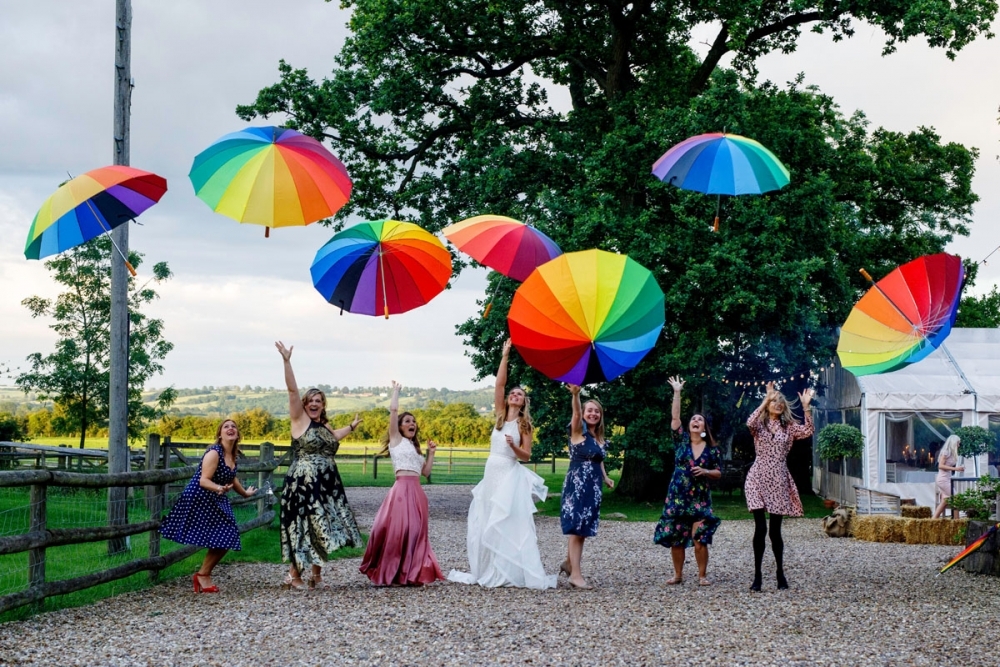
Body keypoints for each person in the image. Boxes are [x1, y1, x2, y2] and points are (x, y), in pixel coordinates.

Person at [448, 339, 557, 589]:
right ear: (508, 400)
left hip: (509, 471)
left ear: (524, 402)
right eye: (513, 393)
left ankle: (508, 571)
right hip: (491, 470)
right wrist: (505, 355)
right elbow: (499, 384)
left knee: (507, 519)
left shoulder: (524, 425)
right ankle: (488, 569)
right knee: (486, 518)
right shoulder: (499, 416)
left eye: (520, 394)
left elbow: (526, 456)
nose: (515, 395)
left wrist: (513, 447)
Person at [276, 341, 362, 590]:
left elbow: (333, 438)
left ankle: (316, 574)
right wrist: (286, 361)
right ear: (304, 404)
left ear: (323, 406)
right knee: (302, 524)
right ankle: (293, 575)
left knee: (323, 525)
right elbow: (292, 391)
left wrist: (352, 427)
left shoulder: (324, 427)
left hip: (326, 484)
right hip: (303, 482)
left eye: (319, 401)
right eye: (311, 400)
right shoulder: (299, 420)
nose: (315, 404)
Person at [359, 381, 445, 586]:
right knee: (397, 531)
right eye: (407, 421)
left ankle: (411, 573)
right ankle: (391, 571)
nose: (411, 423)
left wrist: (431, 453)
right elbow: (394, 409)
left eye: (413, 421)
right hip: (400, 491)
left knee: (415, 531)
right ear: (399, 426)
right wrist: (395, 392)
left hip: (416, 492)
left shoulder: (416, 449)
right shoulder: (395, 440)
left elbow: (426, 472)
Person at [159, 419, 256, 593]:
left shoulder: (233, 454)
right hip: (200, 496)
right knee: (225, 534)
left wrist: (245, 493)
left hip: (216, 497)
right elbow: (203, 480)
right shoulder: (214, 452)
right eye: (226, 426)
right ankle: (203, 576)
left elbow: (231, 477)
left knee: (228, 535)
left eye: (234, 426)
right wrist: (219, 488)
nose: (230, 428)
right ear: (220, 434)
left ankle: (202, 574)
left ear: (238, 434)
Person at [744, 381, 814, 591]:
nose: (777, 404)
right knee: (760, 527)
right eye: (774, 402)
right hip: (758, 476)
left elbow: (808, 431)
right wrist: (766, 398)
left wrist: (806, 407)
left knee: (775, 531)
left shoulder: (788, 428)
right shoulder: (759, 426)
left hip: (778, 479)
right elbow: (749, 422)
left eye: (780, 402)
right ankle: (757, 576)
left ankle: (780, 573)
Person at [653, 376, 722, 586]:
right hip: (677, 496)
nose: (695, 421)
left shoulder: (712, 450)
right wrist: (677, 392)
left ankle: (702, 576)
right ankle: (678, 575)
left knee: (699, 537)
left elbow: (719, 472)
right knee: (676, 537)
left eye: (699, 420)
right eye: (693, 419)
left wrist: (706, 471)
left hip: (700, 498)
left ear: (704, 427)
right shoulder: (681, 440)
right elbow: (675, 419)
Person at [559, 384, 614, 590]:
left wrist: (606, 478)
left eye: (596, 411)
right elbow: (575, 414)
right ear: (583, 413)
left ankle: (569, 562)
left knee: (582, 529)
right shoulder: (577, 432)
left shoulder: (598, 439)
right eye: (589, 410)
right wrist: (576, 395)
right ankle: (576, 575)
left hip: (594, 487)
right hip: (577, 486)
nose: (593, 413)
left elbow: (598, 460)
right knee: (577, 530)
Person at [932, 435, 964, 519]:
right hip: (943, 479)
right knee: (956, 497)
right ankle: (957, 521)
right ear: (953, 443)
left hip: (946, 479)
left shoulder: (951, 453)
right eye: (958, 443)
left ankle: (933, 520)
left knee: (945, 501)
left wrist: (958, 468)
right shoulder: (946, 452)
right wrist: (956, 469)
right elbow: (940, 466)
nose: (959, 445)